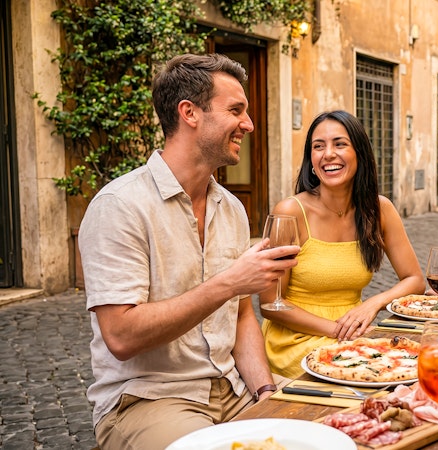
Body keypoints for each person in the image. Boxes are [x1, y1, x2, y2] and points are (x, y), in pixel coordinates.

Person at [78, 54, 298, 450]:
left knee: (335, 429)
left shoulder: (230, 207)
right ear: (189, 113)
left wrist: (265, 389)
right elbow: (121, 336)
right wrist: (229, 282)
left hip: (232, 388)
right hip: (149, 398)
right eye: (236, 110)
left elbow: (242, 314)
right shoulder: (119, 206)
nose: (248, 124)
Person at [259, 110, 425, 378]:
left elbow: (415, 280)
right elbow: (270, 303)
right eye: (318, 146)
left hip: (351, 339)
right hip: (297, 341)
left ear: (359, 153)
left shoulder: (379, 209)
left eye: (339, 144)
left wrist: (373, 303)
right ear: (311, 160)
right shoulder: (290, 211)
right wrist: (335, 331)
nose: (328, 154)